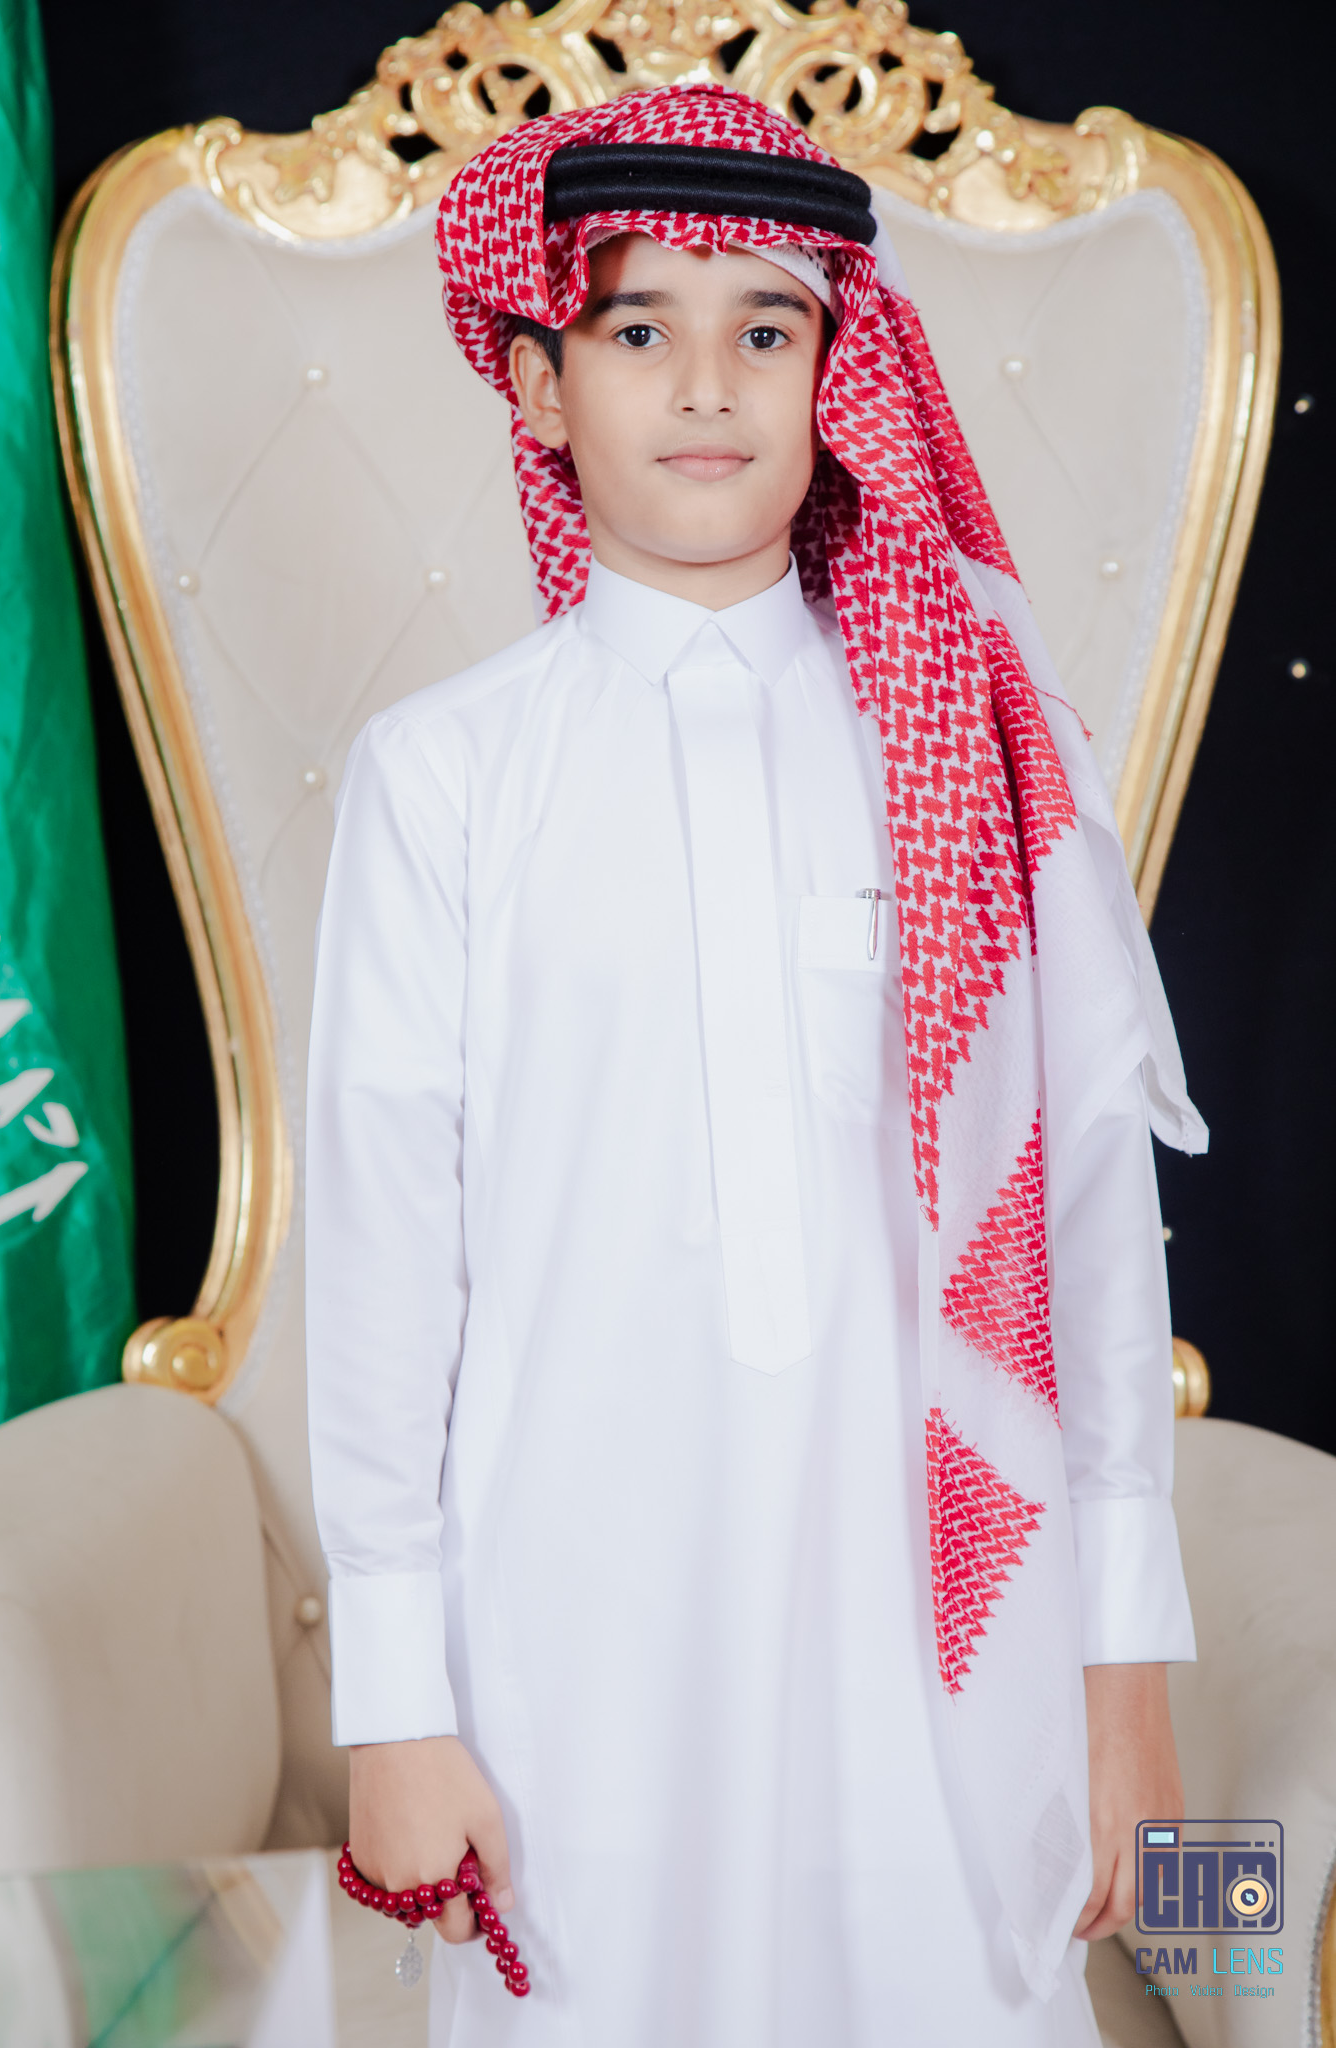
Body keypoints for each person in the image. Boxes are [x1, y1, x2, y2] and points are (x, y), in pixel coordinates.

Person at [305, 85, 1205, 2048]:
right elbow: (377, 1263)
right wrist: (391, 1706)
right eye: (637, 329)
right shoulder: (444, 778)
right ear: (537, 384)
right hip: (570, 1644)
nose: (705, 384)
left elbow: (1080, 1217)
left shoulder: (971, 752)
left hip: (943, 1638)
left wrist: (1125, 1674)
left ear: (835, 371)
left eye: (765, 330)